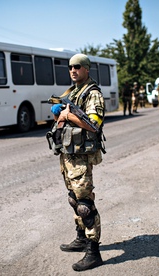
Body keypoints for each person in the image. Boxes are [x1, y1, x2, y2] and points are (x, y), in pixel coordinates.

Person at [49, 54, 104, 271]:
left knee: (85, 205)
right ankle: (81, 238)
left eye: (77, 67)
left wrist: (67, 115)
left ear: (87, 69)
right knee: (74, 199)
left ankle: (93, 251)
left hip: (81, 157)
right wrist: (59, 114)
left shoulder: (93, 94)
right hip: (68, 154)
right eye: (70, 67)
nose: (73, 70)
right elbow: (59, 115)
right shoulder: (71, 92)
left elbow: (94, 124)